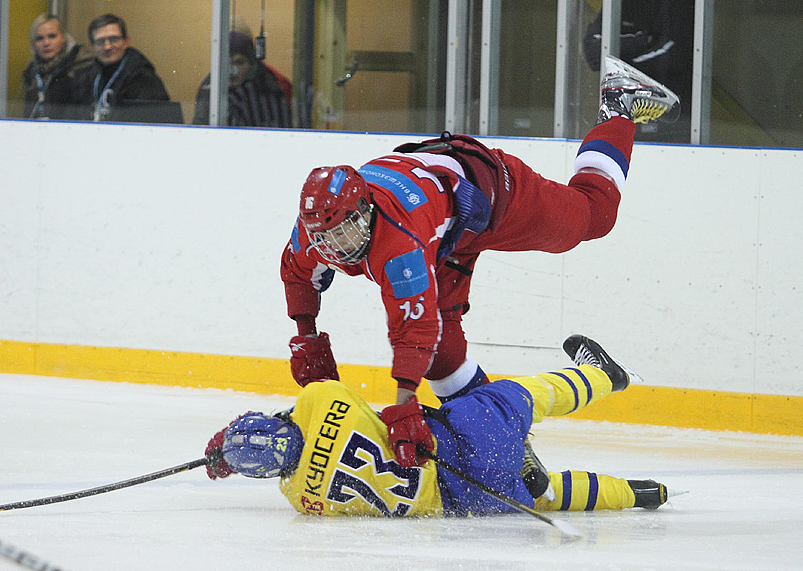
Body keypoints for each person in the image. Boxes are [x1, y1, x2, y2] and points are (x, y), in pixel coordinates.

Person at [280, 55, 679, 470]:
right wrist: (306, 335)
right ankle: (506, 444)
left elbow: (414, 330)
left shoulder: (398, 242)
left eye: (344, 230)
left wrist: (404, 406)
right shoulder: (315, 231)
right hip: (444, 237)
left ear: (366, 209)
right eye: (324, 237)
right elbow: (294, 272)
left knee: (595, 217)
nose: (335, 245)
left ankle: (618, 106)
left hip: (493, 196)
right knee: (443, 358)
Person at [203, 334, 673, 517]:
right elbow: (331, 395)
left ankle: (637, 494)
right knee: (526, 396)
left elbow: (296, 463)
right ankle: (604, 376)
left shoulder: (300, 498)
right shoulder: (318, 402)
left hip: (462, 498)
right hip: (461, 440)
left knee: (547, 494)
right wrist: (228, 440)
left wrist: (232, 456)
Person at [582, 0, 694, 142]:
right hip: (626, 119)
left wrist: (621, 66)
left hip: (673, 123)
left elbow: (674, 55)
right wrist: (642, 41)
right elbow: (593, 52)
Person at [71, 13, 170, 122]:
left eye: (113, 39)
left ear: (126, 42)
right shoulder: (84, 77)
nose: (107, 47)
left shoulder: (143, 78)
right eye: (100, 42)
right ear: (92, 46)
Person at [191, 31, 292, 128]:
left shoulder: (268, 87)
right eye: (226, 62)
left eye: (239, 62)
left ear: (251, 65)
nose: (232, 70)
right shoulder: (210, 89)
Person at [20, 14, 93, 120]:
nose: (46, 43)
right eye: (40, 38)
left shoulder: (80, 67)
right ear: (33, 43)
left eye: (52, 36)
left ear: (63, 38)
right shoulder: (32, 73)